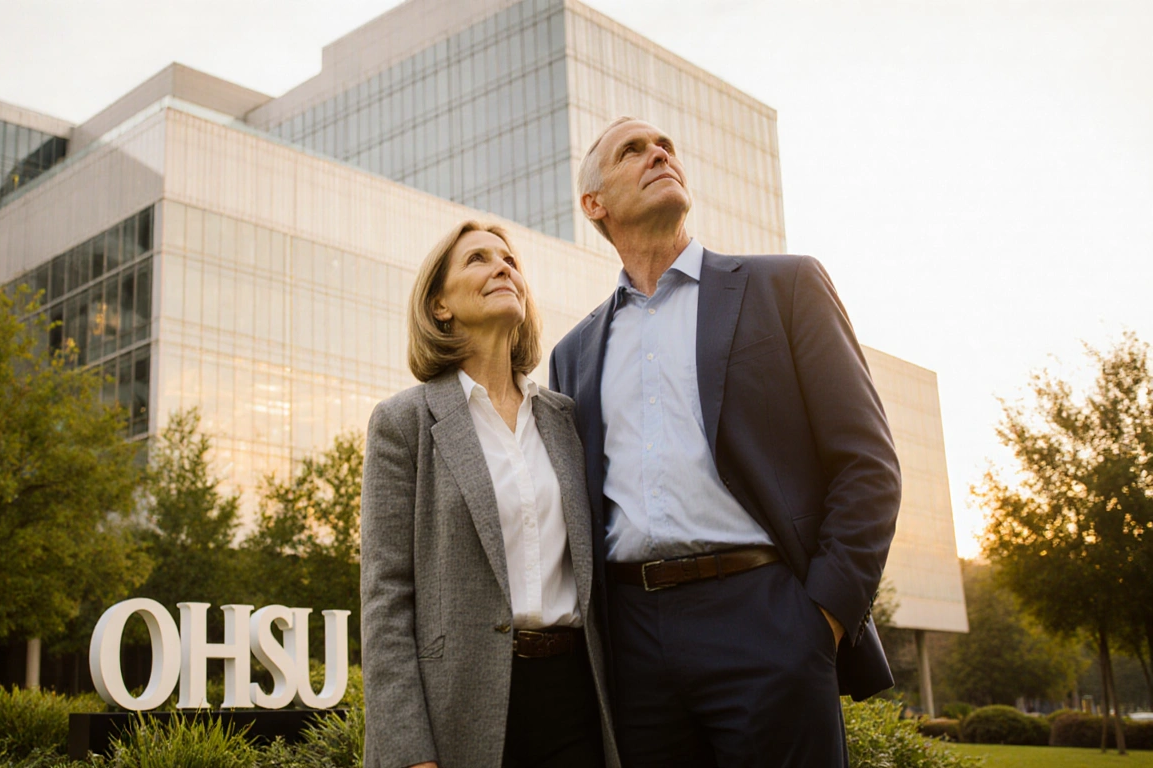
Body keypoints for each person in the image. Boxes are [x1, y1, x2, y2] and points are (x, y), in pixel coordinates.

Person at [548, 117, 902, 767]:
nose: (658, 152)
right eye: (633, 150)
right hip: (634, 641)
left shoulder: (786, 286)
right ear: (593, 204)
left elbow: (868, 463)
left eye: (666, 146)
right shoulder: (573, 355)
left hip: (767, 616)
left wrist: (821, 618)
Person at [361, 220, 619, 768]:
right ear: (439, 306)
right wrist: (408, 751)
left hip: (575, 700)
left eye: (510, 261)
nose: (503, 266)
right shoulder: (402, 423)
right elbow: (386, 599)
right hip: (458, 707)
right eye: (478, 259)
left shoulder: (565, 419)